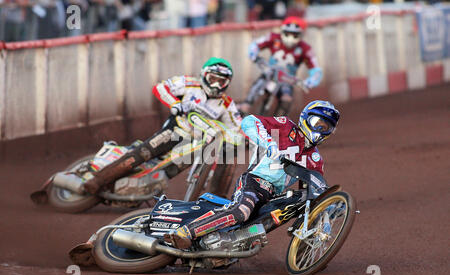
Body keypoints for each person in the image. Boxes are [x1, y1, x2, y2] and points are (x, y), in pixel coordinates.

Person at [164, 100, 340, 249]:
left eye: (326, 127)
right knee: (242, 211)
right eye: (317, 122)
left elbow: (311, 192)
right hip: (254, 181)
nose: (320, 129)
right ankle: (186, 232)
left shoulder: (315, 159)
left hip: (273, 195)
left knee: (264, 226)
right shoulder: (286, 126)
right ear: (305, 118)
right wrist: (269, 143)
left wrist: (327, 213)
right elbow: (249, 121)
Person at [83, 57, 242, 195]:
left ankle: (216, 200)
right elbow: (160, 87)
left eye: (221, 81)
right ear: (204, 75)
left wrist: (243, 138)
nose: (216, 84)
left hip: (197, 142)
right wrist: (175, 103)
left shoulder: (227, 103)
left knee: (223, 156)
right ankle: (97, 181)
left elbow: (236, 127)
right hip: (176, 130)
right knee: (144, 152)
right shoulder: (189, 83)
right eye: (213, 79)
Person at [239, 16, 323, 116]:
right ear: (282, 31)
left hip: (287, 79)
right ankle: (243, 110)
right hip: (270, 73)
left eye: (295, 34)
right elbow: (255, 45)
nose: (290, 38)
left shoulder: (305, 48)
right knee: (258, 85)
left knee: (286, 99)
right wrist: (255, 57)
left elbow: (316, 69)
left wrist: (309, 82)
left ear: (301, 34)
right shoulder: (273, 37)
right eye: (288, 33)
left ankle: (278, 126)